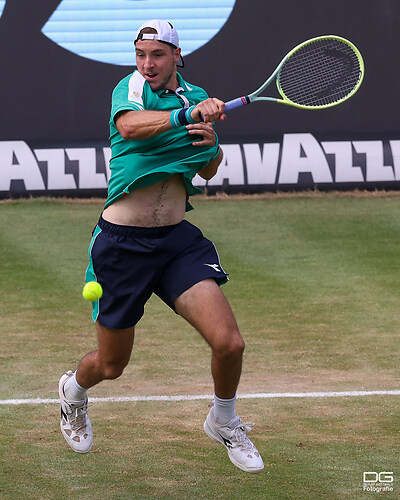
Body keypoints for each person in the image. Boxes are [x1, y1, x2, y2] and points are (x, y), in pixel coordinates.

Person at [58, 19, 264, 474]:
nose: (147, 64)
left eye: (156, 55)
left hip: (175, 242)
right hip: (121, 246)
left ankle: (224, 421)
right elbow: (130, 128)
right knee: (112, 366)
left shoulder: (196, 95)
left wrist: (212, 146)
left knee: (229, 343)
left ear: (176, 56)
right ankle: (74, 391)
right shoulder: (131, 89)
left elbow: (207, 169)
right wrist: (187, 117)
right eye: (141, 55)